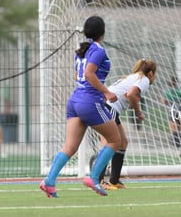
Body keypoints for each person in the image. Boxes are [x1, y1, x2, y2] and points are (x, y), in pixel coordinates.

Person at [40, 15, 121, 198]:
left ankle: (49, 181)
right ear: (103, 32)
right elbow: (89, 74)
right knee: (115, 140)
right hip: (89, 102)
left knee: (70, 147)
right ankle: (93, 178)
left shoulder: (82, 50)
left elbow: (79, 77)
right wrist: (106, 92)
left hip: (75, 101)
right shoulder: (98, 51)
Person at [97, 58, 157, 190]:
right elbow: (130, 94)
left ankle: (114, 180)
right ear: (151, 73)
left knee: (122, 142)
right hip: (107, 107)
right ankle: (98, 180)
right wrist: (138, 112)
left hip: (108, 107)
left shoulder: (133, 77)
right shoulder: (144, 79)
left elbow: (128, 94)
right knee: (109, 144)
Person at [161, 76, 181, 156]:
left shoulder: (166, 90)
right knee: (178, 129)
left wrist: (167, 102)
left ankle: (178, 148)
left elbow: (162, 101)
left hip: (172, 111)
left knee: (174, 130)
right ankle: (179, 147)